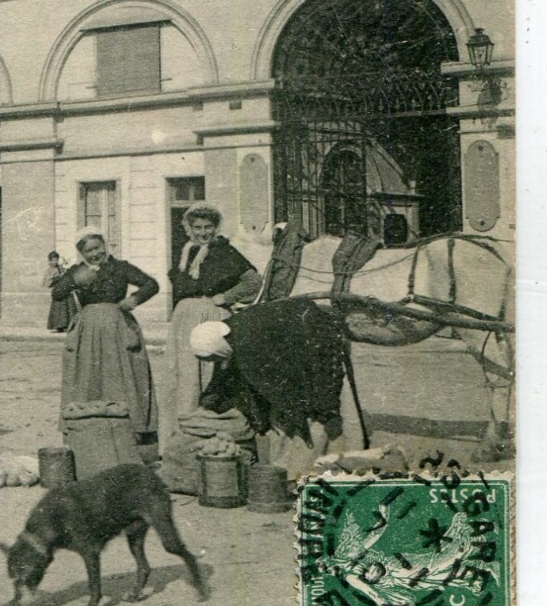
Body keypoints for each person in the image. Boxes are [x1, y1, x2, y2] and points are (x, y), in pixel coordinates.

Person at [191, 298, 360, 478]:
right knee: (285, 415)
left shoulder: (247, 342)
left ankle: (312, 471)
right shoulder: (227, 336)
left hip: (315, 338)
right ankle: (289, 469)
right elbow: (226, 374)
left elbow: (279, 382)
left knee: (313, 410)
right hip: (295, 340)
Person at [160, 204, 263, 451]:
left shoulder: (224, 251)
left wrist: (225, 298)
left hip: (211, 316)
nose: (203, 233)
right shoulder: (185, 252)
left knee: (207, 374)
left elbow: (254, 281)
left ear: (215, 228)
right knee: (181, 374)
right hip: (183, 320)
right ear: (189, 228)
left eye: (208, 227)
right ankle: (180, 436)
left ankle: (206, 434)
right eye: (197, 227)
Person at [51, 228, 160, 440]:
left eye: (97, 248)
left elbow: (151, 284)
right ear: (82, 252)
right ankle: (89, 427)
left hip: (117, 325)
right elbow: (57, 293)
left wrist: (134, 299)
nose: (95, 254)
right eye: (88, 250)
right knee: (88, 376)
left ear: (105, 245)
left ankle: (129, 426)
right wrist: (74, 278)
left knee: (121, 373)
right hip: (88, 329)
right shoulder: (77, 270)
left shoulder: (120, 268)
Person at [43, 250, 74, 332]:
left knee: (65, 307)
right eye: (53, 260)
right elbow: (48, 282)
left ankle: (66, 325)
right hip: (57, 291)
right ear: (49, 261)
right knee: (57, 308)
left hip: (63, 290)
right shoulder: (49, 270)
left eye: (56, 259)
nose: (55, 262)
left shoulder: (60, 268)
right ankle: (58, 326)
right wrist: (57, 278)